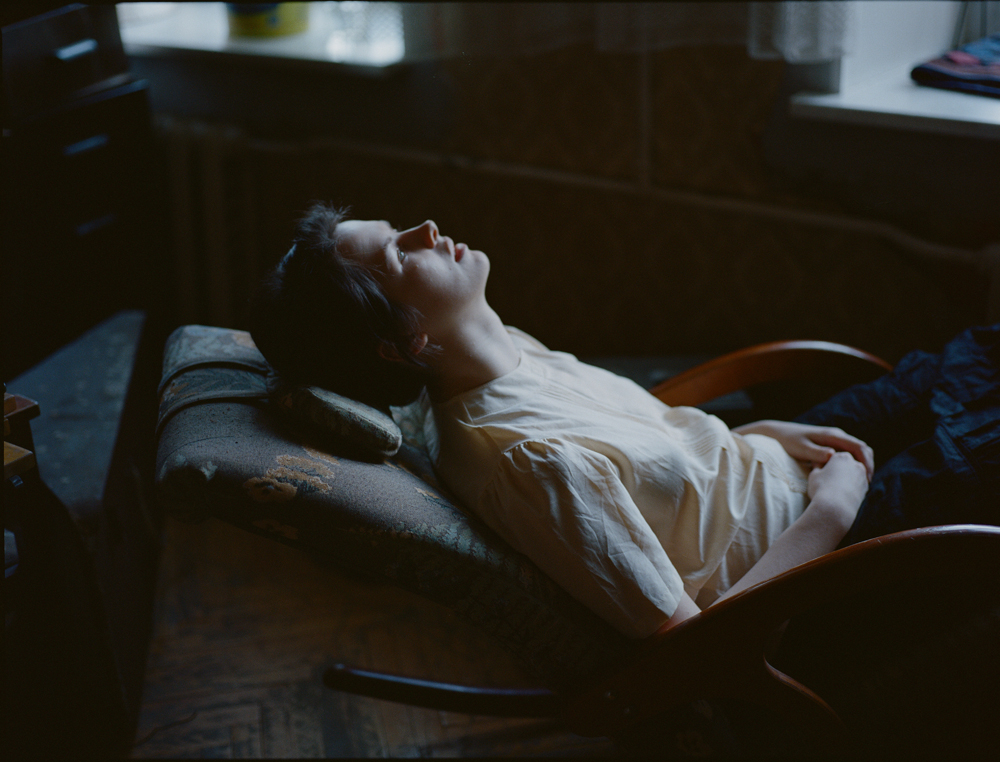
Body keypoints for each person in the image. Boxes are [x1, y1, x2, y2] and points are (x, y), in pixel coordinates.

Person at [250, 202, 999, 641]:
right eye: (396, 253)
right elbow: (693, 643)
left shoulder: (508, 349)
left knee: (972, 356)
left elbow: (655, 448)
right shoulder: (526, 463)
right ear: (402, 343)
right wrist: (830, 514)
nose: (426, 227)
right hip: (814, 563)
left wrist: (763, 434)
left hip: (768, 463)